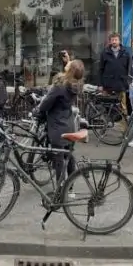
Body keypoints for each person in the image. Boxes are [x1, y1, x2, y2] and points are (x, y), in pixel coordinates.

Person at [36, 59, 84, 188]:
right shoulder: (76, 85)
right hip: (68, 122)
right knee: (69, 155)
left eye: (69, 65)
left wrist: (38, 111)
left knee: (59, 159)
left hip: (57, 126)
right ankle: (71, 186)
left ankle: (60, 188)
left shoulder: (60, 86)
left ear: (70, 70)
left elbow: (45, 104)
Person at [98, 33, 131, 113]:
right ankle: (108, 124)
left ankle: (123, 125)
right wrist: (100, 84)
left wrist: (128, 82)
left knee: (122, 107)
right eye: (112, 40)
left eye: (116, 40)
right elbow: (100, 69)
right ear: (110, 42)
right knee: (106, 107)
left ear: (119, 41)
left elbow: (129, 69)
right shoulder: (104, 53)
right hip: (107, 85)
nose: (114, 41)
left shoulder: (126, 53)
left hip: (121, 84)